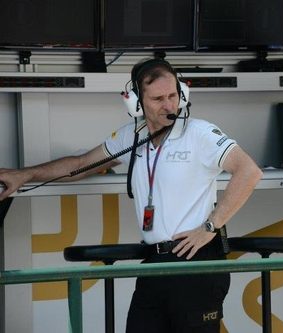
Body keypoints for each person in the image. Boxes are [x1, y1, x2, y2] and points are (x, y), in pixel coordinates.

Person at [0, 58, 263, 332]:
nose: (169, 105)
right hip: (153, 264)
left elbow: (249, 171)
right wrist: (24, 175)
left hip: (196, 264)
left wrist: (211, 226)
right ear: (136, 102)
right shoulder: (132, 136)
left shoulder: (199, 133)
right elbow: (80, 165)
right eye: (158, 98)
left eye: (173, 96)